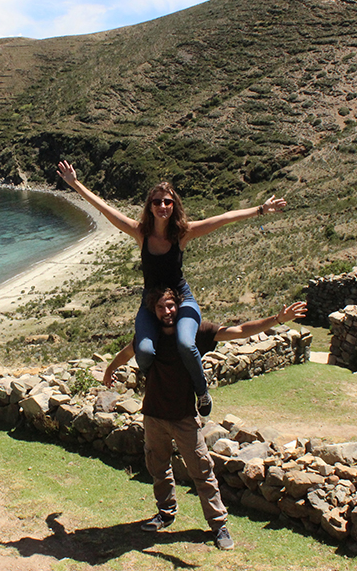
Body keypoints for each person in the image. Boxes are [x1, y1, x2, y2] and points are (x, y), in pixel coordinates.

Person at [57, 160, 286, 416]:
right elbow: (106, 210)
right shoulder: (140, 232)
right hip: (150, 302)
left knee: (187, 343)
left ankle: (202, 392)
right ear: (150, 206)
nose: (162, 206)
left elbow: (223, 219)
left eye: (167, 202)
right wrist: (75, 183)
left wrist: (261, 210)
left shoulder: (182, 233)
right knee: (143, 350)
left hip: (181, 298)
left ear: (174, 205)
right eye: (157, 202)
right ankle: (153, 381)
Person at [102, 287, 307, 550]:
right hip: (153, 414)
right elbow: (127, 352)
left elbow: (239, 330)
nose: (167, 312)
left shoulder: (195, 332)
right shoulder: (149, 336)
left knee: (202, 471)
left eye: (171, 306)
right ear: (153, 311)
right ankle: (165, 513)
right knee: (158, 467)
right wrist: (110, 368)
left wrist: (276, 319)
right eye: (161, 307)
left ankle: (218, 525)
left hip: (184, 417)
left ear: (179, 305)